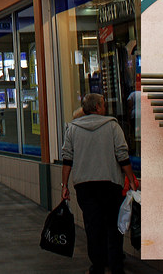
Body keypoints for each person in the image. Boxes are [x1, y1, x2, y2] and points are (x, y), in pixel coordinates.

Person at [61, 93, 138, 274]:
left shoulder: (72, 129)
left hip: (84, 186)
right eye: (103, 104)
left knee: (93, 227)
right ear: (97, 108)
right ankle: (116, 267)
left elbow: (67, 159)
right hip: (110, 184)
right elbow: (122, 155)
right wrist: (132, 180)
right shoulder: (112, 126)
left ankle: (97, 267)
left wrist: (64, 185)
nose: (105, 107)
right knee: (113, 227)